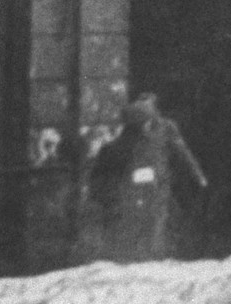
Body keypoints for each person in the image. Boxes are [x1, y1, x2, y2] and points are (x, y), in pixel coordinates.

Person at [89, 94, 208, 263]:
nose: (143, 125)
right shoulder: (132, 129)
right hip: (134, 180)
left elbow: (182, 152)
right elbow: (119, 149)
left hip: (158, 179)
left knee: (157, 217)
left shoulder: (167, 127)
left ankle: (155, 256)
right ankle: (134, 256)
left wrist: (198, 175)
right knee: (135, 217)